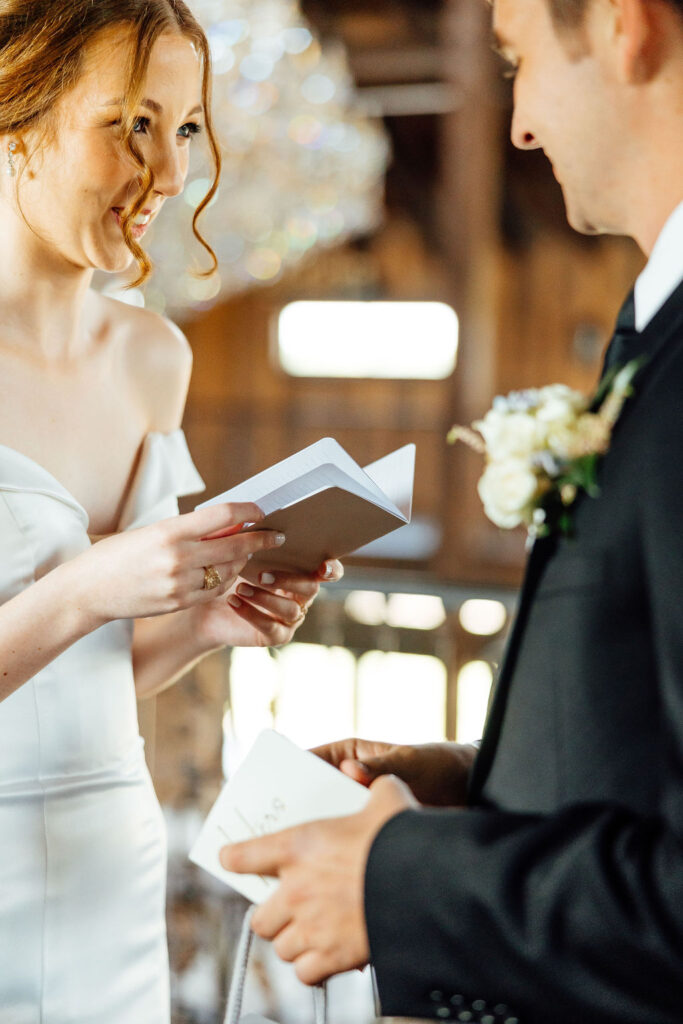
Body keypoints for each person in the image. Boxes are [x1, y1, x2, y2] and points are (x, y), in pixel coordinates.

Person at [221, 0, 683, 1020]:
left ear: (622, 27)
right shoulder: (651, 333)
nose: (517, 122)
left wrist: (400, 877)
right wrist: (466, 785)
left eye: (518, 59)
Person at [0, 3, 342, 1022]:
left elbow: (92, 676)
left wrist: (196, 628)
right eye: (131, 125)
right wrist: (86, 587)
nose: (171, 173)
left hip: (114, 865)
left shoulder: (157, 358)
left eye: (186, 127)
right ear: (17, 116)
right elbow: (71, 609)